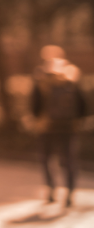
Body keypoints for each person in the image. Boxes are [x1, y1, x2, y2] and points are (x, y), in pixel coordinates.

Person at [30, 55, 86, 207]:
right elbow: (83, 106)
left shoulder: (41, 83)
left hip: (46, 128)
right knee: (69, 161)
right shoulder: (71, 82)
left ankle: (51, 189)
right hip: (68, 128)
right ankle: (70, 192)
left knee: (47, 160)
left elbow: (34, 108)